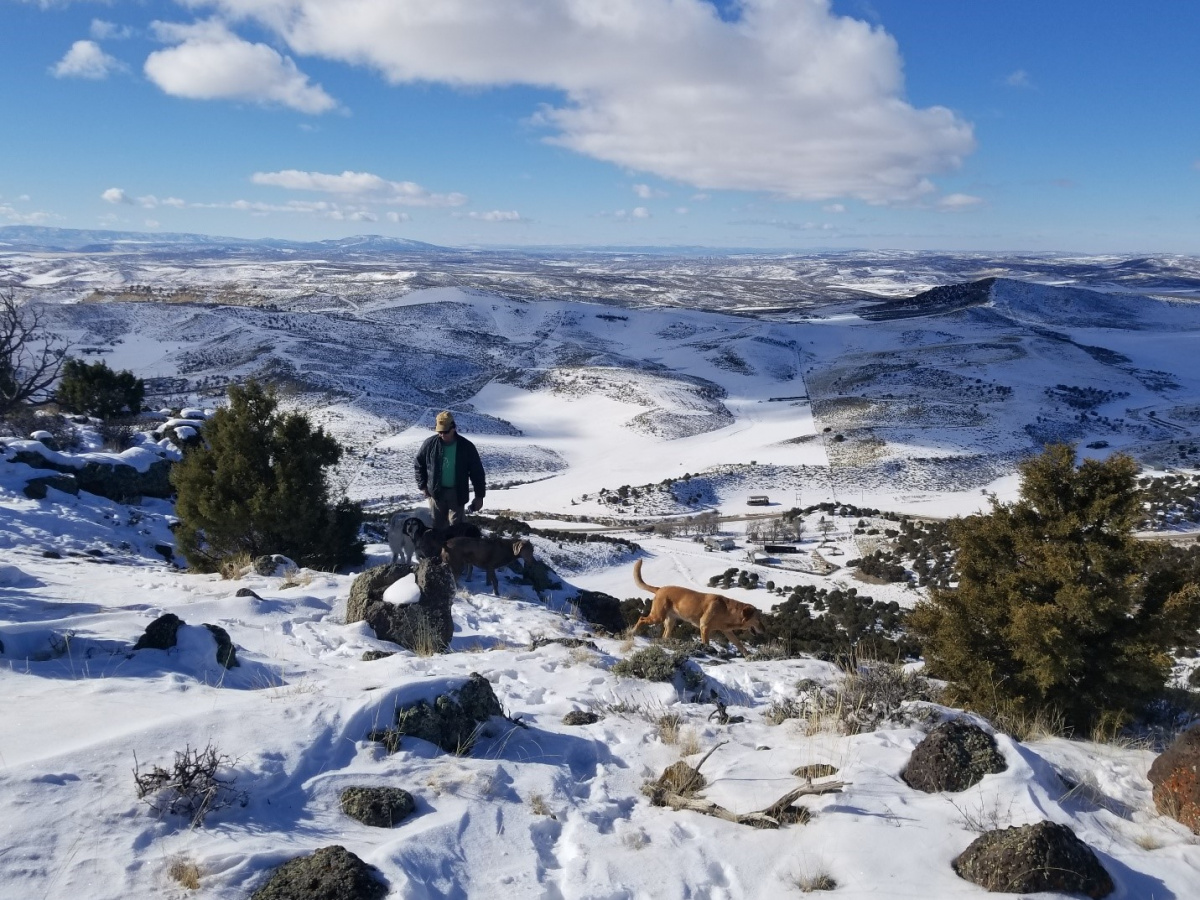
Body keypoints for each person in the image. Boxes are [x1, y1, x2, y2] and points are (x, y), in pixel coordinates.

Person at [414, 410, 486, 528]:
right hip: (436, 494)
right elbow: (418, 464)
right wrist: (422, 486)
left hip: (457, 493)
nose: (442, 435)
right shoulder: (429, 444)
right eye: (439, 432)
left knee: (458, 529)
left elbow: (477, 473)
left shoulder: (466, 446)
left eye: (445, 431)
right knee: (437, 529)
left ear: (453, 428)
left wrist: (479, 497)